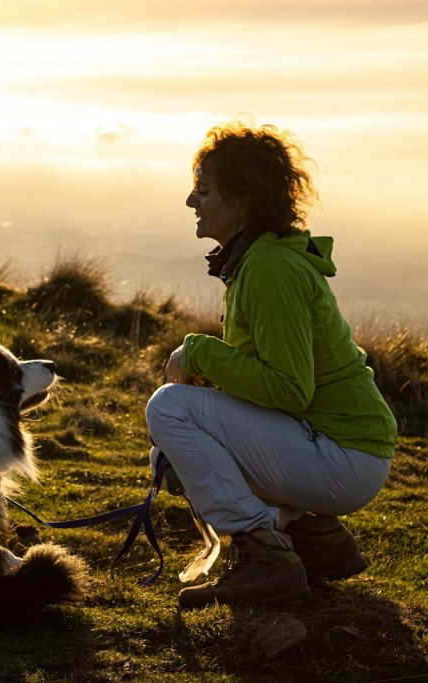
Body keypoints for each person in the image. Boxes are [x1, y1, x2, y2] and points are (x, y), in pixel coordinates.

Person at [145, 122, 397, 609]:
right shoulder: (258, 259)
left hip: (344, 455)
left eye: (203, 190)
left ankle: (268, 556)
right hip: (336, 450)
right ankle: (312, 539)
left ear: (241, 200)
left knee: (171, 409)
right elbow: (275, 381)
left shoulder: (269, 268)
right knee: (170, 455)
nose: (191, 202)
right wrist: (217, 376)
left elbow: (288, 389)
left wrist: (200, 353)